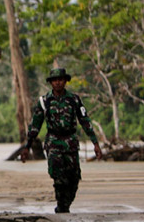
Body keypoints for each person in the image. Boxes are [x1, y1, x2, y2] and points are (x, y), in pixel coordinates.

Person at [20, 68, 103, 213]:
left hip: (71, 142)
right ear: (51, 83)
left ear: (65, 81)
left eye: (60, 80)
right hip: (53, 142)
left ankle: (65, 205)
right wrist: (27, 147)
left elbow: (85, 121)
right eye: (55, 80)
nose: (57, 83)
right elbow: (35, 125)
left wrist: (95, 143)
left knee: (74, 178)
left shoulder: (74, 100)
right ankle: (62, 207)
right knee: (58, 178)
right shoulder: (44, 101)